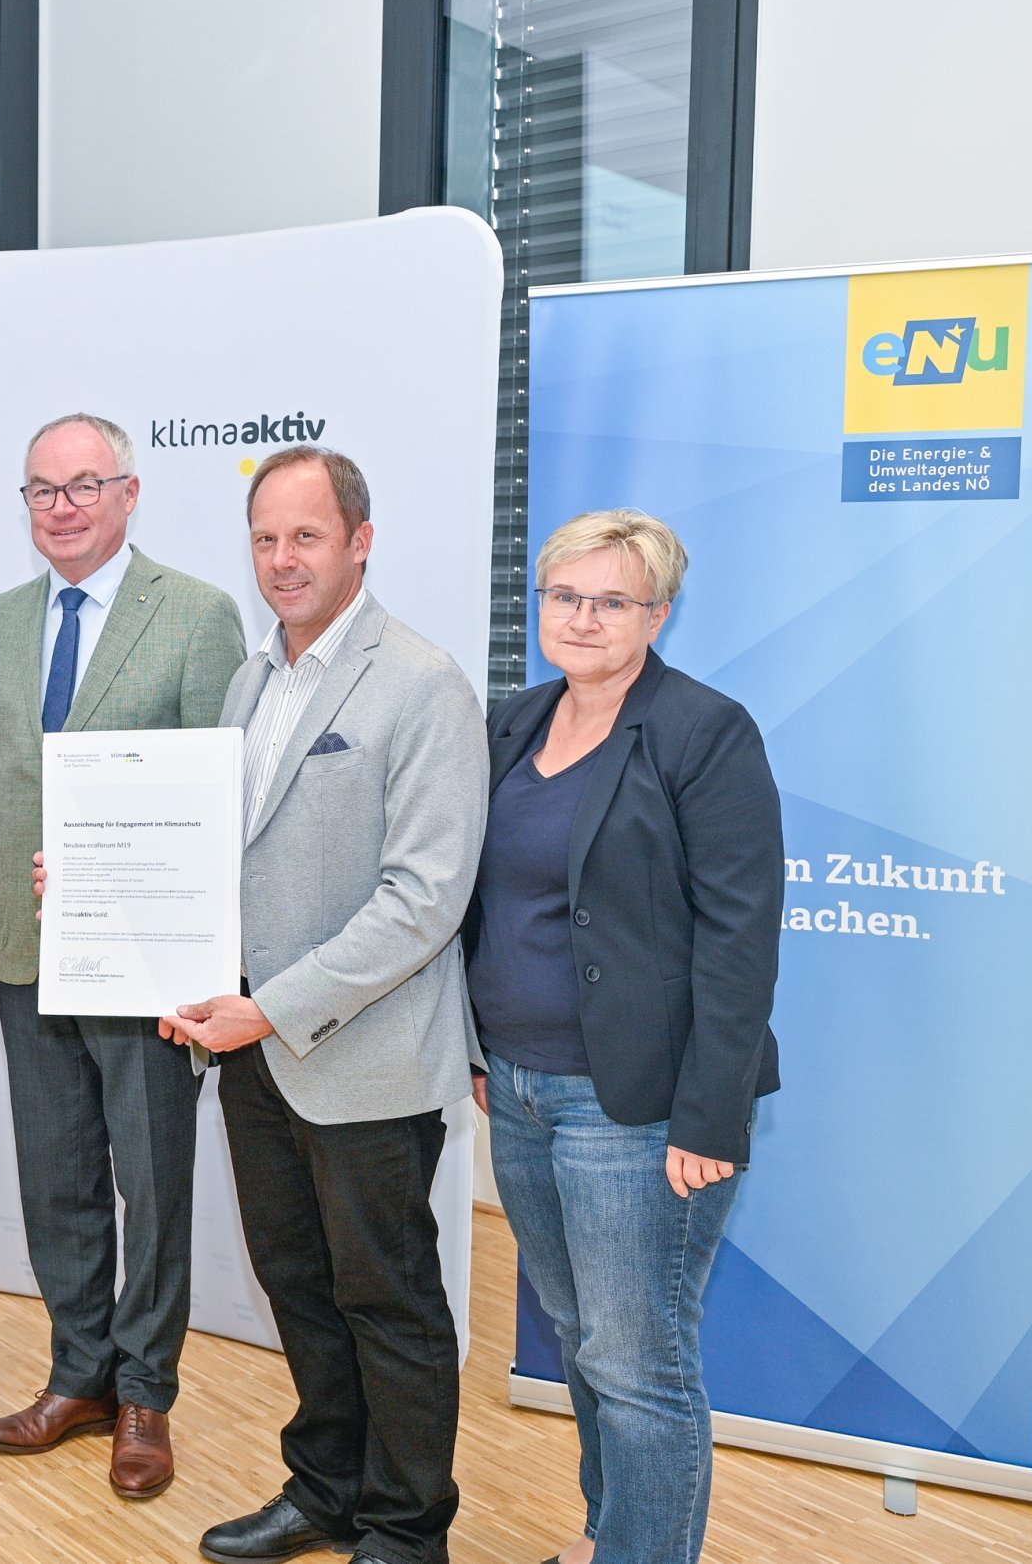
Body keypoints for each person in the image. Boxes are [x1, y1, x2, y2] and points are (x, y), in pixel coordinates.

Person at [158, 447, 487, 1564]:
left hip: (366, 1058)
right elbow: (231, 858)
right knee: (297, 1286)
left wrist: (272, 1007)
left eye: (306, 535)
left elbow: (424, 899)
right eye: (264, 538)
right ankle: (326, 1490)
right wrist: (116, 896)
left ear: (360, 541)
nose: (281, 559)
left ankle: (406, 1527)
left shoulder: (422, 681)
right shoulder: (252, 682)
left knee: (387, 1301)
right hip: (255, 1056)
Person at [465, 510, 781, 1564]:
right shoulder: (513, 722)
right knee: (582, 1339)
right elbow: (478, 898)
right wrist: (479, 1051)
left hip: (637, 1106)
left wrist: (709, 1114)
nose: (583, 618)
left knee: (639, 1363)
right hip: (518, 1090)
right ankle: (613, 1537)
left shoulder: (703, 731)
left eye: (613, 600)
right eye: (564, 596)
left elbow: (740, 936)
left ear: (658, 614)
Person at [0, 412, 248, 1500]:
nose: (61, 507)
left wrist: (210, 953)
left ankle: (145, 1396)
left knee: (151, 1186)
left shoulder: (199, 615)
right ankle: (78, 1376)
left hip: (149, 961)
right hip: (26, 953)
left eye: (83, 485)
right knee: (57, 1178)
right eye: (42, 489)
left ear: (128, 492)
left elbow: (221, 793)